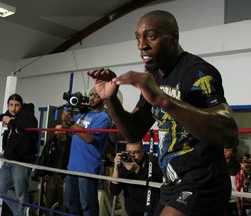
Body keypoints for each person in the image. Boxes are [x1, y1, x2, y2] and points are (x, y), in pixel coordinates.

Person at [88, 10, 238, 216]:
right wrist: (109, 99)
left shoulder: (196, 71)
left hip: (203, 182)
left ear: (174, 37)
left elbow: (229, 132)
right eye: (138, 38)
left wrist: (163, 99)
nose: (142, 45)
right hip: (171, 184)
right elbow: (133, 132)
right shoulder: (155, 76)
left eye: (151, 36)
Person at [61, 87, 112, 216]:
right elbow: (65, 127)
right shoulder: (82, 115)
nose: (92, 97)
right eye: (91, 94)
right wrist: (69, 111)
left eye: (97, 96)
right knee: (71, 203)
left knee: (87, 205)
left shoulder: (103, 117)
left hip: (88, 168)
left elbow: (89, 138)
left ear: (104, 101)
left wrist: (71, 122)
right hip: (72, 166)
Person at [0, 93, 38, 216]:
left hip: (21, 162)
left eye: (17, 105)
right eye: (11, 105)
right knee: (2, 190)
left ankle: (22, 213)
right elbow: (3, 116)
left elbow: (29, 125)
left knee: (21, 195)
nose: (13, 108)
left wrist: (11, 121)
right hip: (9, 161)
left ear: (21, 106)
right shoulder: (11, 115)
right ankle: (24, 212)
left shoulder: (28, 116)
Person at [109, 140, 163, 216]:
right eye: (129, 152)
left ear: (142, 151)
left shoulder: (152, 161)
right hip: (132, 211)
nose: (132, 156)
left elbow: (158, 180)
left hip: (151, 210)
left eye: (135, 152)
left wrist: (137, 169)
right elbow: (114, 191)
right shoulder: (124, 163)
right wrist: (116, 168)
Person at [38, 124, 71, 215]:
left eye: (57, 131)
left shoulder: (71, 144)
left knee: (63, 202)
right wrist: (43, 173)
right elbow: (44, 157)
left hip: (64, 177)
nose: (55, 132)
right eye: (54, 130)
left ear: (64, 131)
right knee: (48, 201)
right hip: (51, 176)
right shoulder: (51, 142)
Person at [223, 146, 246, 216]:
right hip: (222, 200)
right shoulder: (217, 165)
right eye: (224, 149)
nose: (225, 151)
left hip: (235, 200)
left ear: (233, 153)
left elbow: (242, 184)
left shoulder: (239, 167)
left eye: (228, 150)